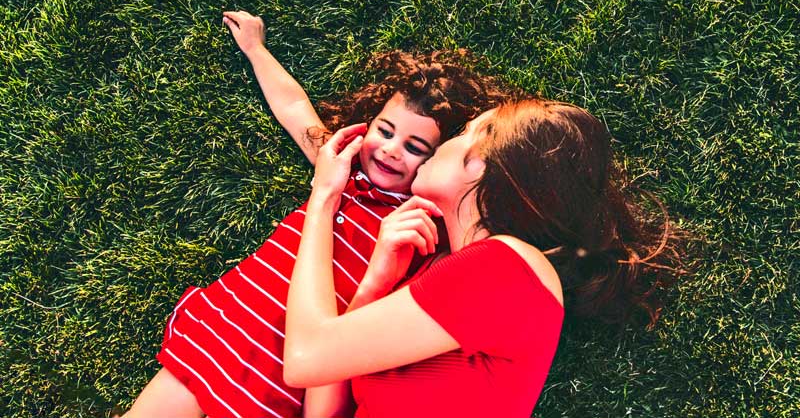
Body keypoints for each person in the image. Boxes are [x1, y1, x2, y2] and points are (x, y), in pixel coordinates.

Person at [122, 12, 507, 418]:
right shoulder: (340, 167)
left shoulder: (422, 226)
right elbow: (294, 107)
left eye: (415, 148)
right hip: (229, 327)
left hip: (289, 371)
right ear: (367, 123)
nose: (392, 150)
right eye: (385, 130)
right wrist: (255, 49)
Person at [283, 98, 683, 417]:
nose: (439, 147)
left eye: (461, 132)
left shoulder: (508, 267)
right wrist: (375, 283)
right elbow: (323, 402)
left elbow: (303, 357)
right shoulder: (443, 271)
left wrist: (323, 198)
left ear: (480, 160)